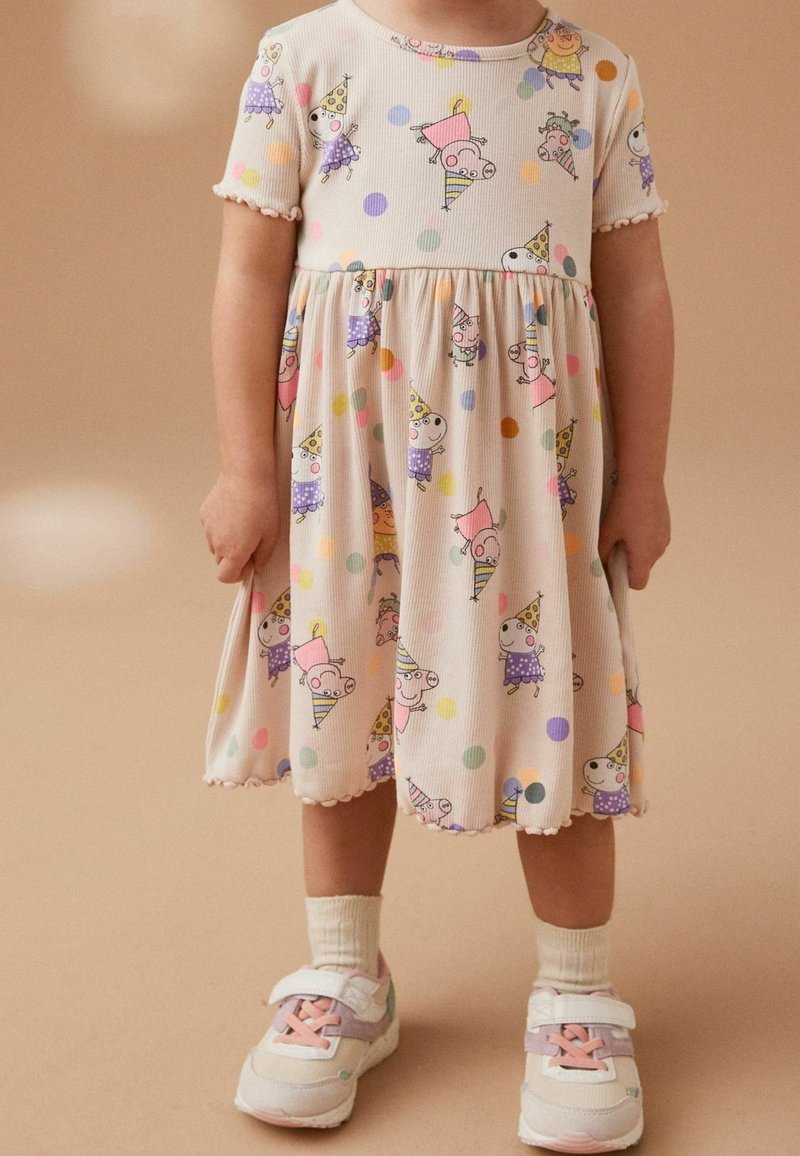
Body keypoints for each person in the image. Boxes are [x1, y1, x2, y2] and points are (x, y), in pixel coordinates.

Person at [199, 0, 673, 1148]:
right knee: (343, 696)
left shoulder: (590, 75)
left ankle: (574, 994)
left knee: (549, 700)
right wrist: (246, 470)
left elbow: (634, 289)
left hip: (524, 479)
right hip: (347, 464)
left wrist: (643, 477)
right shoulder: (306, 58)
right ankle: (343, 974)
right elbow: (249, 273)